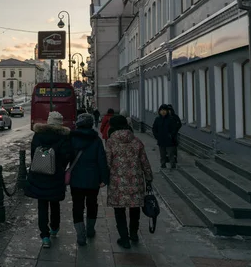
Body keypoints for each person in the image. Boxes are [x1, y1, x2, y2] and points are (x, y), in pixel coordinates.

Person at [24, 111, 73, 248]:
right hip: (56, 175)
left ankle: (44, 236)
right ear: (60, 123)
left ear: (48, 121)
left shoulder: (38, 134)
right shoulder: (64, 137)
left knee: (42, 205)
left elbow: (33, 153)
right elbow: (67, 156)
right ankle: (54, 228)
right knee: (55, 203)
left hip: (39, 174)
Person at [106, 115, 153, 249]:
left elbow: (107, 162)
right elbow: (144, 161)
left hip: (117, 182)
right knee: (134, 208)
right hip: (135, 181)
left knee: (119, 211)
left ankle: (124, 238)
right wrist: (148, 177)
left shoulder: (111, 142)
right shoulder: (136, 141)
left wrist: (103, 178)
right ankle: (133, 234)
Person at [69, 113, 109, 246]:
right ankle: (90, 229)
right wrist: (104, 178)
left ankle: (81, 235)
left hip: (76, 179)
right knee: (92, 204)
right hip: (93, 179)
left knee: (77, 206)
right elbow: (102, 160)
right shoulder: (96, 140)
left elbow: (66, 157)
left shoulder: (72, 138)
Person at [152, 104, 177, 169]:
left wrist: (171, 135)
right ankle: (163, 165)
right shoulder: (157, 119)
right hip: (161, 140)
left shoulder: (171, 119)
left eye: (164, 110)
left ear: (167, 111)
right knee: (162, 154)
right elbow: (154, 128)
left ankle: (173, 165)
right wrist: (156, 136)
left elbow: (174, 129)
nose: (163, 112)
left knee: (170, 154)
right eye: (162, 110)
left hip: (170, 141)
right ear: (159, 111)